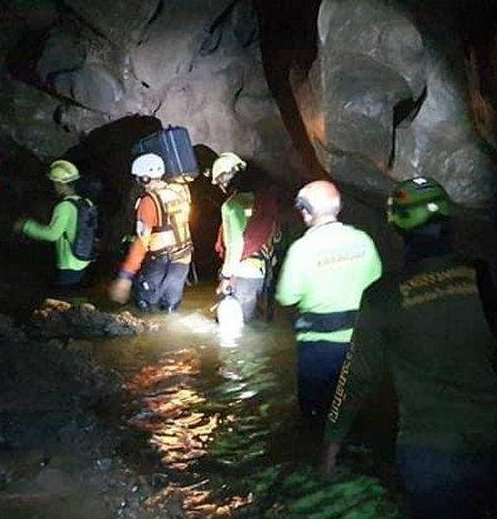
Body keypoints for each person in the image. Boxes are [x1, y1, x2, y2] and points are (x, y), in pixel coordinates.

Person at [323, 177, 497, 519]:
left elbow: (357, 376)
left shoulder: (383, 296)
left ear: (398, 231)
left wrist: (333, 438)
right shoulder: (483, 277)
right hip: (487, 442)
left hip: (427, 452)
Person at [275, 180, 381, 423]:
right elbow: (377, 286)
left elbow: (286, 297)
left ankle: (319, 456)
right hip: (360, 344)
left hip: (319, 349)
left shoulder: (302, 249)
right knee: (356, 413)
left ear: (306, 212)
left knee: (317, 415)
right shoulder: (362, 240)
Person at [109, 153, 193, 312]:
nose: (140, 183)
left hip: (160, 263)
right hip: (183, 260)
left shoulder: (148, 201)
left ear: (146, 178)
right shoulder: (181, 191)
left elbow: (141, 242)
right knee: (170, 308)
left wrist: (125, 276)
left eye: (140, 179)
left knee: (144, 307)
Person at [210, 152, 281, 322]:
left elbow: (235, 245)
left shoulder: (232, 206)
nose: (220, 187)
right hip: (262, 272)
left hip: (242, 272)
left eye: (220, 182)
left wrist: (226, 278)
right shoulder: (263, 200)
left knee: (236, 328)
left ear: (227, 179)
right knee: (254, 321)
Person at [14, 160, 95, 288]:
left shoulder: (64, 206)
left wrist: (26, 226)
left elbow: (52, 234)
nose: (54, 186)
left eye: (54, 183)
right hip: (84, 259)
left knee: (62, 300)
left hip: (69, 263)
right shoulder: (86, 203)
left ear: (60, 184)